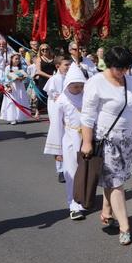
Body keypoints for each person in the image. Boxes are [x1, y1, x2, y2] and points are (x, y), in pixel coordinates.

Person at [81, 46, 132, 246]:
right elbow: (87, 116)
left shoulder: (130, 81)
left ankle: (107, 211)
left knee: (115, 180)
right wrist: (87, 142)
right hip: (107, 141)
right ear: (109, 65)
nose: (123, 72)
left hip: (129, 140)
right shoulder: (96, 83)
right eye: (119, 68)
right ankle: (125, 226)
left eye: (126, 68)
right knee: (116, 182)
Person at [55, 63, 87, 220]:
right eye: (75, 86)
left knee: (86, 171)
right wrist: (57, 150)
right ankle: (73, 204)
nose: (78, 89)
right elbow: (56, 126)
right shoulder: (62, 100)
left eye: (81, 86)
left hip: (86, 138)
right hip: (70, 138)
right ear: (68, 84)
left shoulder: (87, 97)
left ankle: (84, 198)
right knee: (71, 172)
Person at [43, 55, 72, 183]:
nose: (69, 67)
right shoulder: (54, 79)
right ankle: (60, 169)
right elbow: (55, 97)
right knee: (59, 138)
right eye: (66, 65)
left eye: (70, 64)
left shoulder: (71, 77)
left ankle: (71, 166)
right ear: (58, 66)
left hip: (70, 114)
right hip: (59, 114)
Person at [0, 53, 31, 125]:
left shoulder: (21, 67)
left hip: (19, 86)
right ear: (11, 59)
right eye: (16, 59)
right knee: (12, 101)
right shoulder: (8, 68)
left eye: (18, 59)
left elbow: (24, 76)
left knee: (20, 100)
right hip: (12, 86)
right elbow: (6, 78)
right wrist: (8, 86)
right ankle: (12, 118)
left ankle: (19, 116)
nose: (17, 60)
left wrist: (22, 78)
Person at [33, 44, 56, 113]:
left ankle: (51, 109)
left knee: (52, 94)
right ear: (40, 51)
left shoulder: (53, 58)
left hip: (52, 79)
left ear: (49, 50)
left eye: (46, 49)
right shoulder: (39, 59)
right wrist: (49, 76)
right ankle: (38, 111)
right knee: (42, 94)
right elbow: (39, 71)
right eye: (42, 49)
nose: (45, 50)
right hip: (43, 79)